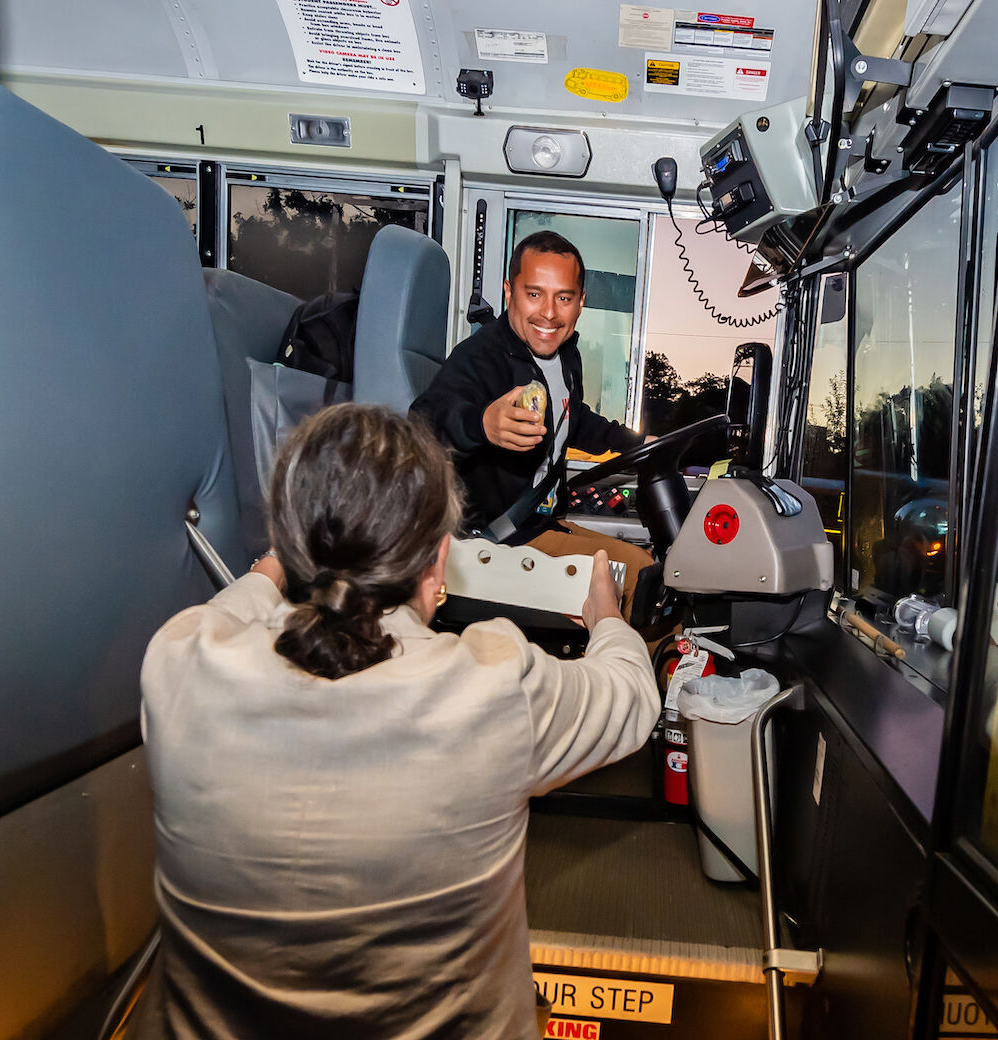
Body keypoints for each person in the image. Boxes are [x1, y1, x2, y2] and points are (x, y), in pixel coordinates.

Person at [136, 404, 658, 1039]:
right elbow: (632, 695)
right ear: (438, 562)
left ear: (289, 542)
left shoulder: (179, 663)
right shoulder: (491, 686)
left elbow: (230, 610)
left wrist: (277, 563)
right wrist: (607, 618)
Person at [411, 231, 656, 617]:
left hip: (541, 523)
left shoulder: (565, 356)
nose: (549, 313)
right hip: (495, 542)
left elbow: (572, 418)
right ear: (509, 292)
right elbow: (424, 425)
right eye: (534, 294)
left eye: (564, 298)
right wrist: (482, 424)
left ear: (581, 302)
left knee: (646, 563)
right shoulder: (481, 355)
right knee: (642, 577)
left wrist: (638, 444)